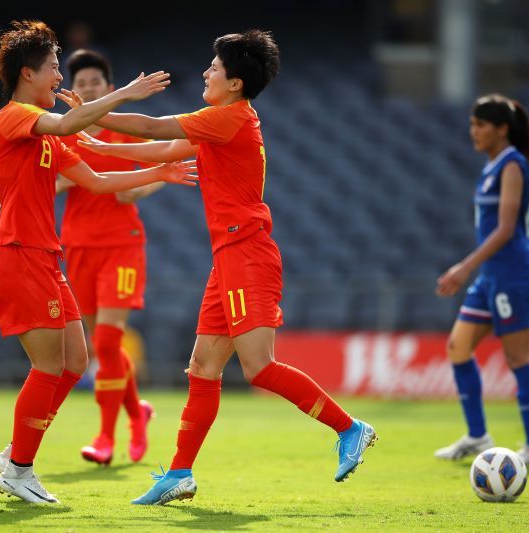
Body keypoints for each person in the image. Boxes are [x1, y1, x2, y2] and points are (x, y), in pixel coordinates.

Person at [71, 29, 377, 505]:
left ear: (234, 82)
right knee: (203, 366)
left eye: (213, 67)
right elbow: (159, 151)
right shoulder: (220, 122)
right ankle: (179, 473)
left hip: (247, 255)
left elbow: (153, 129)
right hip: (228, 259)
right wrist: (98, 143)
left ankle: (349, 427)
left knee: (259, 367)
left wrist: (94, 112)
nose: (205, 73)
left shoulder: (227, 118)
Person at [0, 20, 197, 504]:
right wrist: (123, 93)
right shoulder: (13, 117)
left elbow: (97, 181)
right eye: (55, 67)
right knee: (47, 366)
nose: (60, 76)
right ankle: (19, 468)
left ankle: (17, 450)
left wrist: (159, 169)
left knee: (77, 361)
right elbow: (64, 123)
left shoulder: (47, 137)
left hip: (47, 257)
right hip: (20, 253)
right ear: (27, 73)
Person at [56, 49, 161, 466]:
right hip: (79, 244)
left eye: (94, 84)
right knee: (106, 346)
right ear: (71, 90)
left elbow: (162, 168)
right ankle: (139, 415)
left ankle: (105, 436)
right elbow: (47, 182)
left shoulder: (127, 131)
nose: (86, 89)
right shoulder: (64, 132)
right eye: (79, 84)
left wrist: (143, 185)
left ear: (109, 89)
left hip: (122, 243)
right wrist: (60, 182)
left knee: (107, 341)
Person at [434, 94, 529, 466]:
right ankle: (479, 435)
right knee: (457, 347)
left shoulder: (512, 165)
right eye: (472, 124)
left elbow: (506, 229)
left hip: (513, 274)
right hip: (490, 275)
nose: (474, 131)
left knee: (517, 358)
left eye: (481, 125)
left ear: (502, 129)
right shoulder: (492, 166)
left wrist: (464, 267)